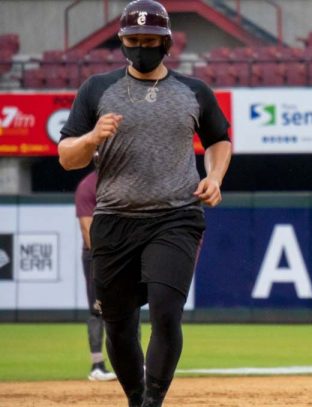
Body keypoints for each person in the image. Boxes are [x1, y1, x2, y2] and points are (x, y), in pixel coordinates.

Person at [58, 1, 232, 406]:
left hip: (176, 216)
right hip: (115, 219)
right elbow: (68, 157)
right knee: (118, 325)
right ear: (122, 42)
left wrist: (215, 177)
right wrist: (90, 139)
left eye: (149, 40)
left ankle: (154, 399)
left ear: (166, 42)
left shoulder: (194, 91)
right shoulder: (97, 89)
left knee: (166, 310)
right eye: (132, 41)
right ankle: (136, 398)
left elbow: (218, 140)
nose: (140, 47)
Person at [75, 170, 118, 382]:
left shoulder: (127, 179)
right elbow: (86, 229)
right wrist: (106, 260)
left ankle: (135, 364)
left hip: (124, 255)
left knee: (131, 307)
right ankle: (97, 365)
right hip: (97, 258)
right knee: (98, 310)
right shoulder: (88, 185)